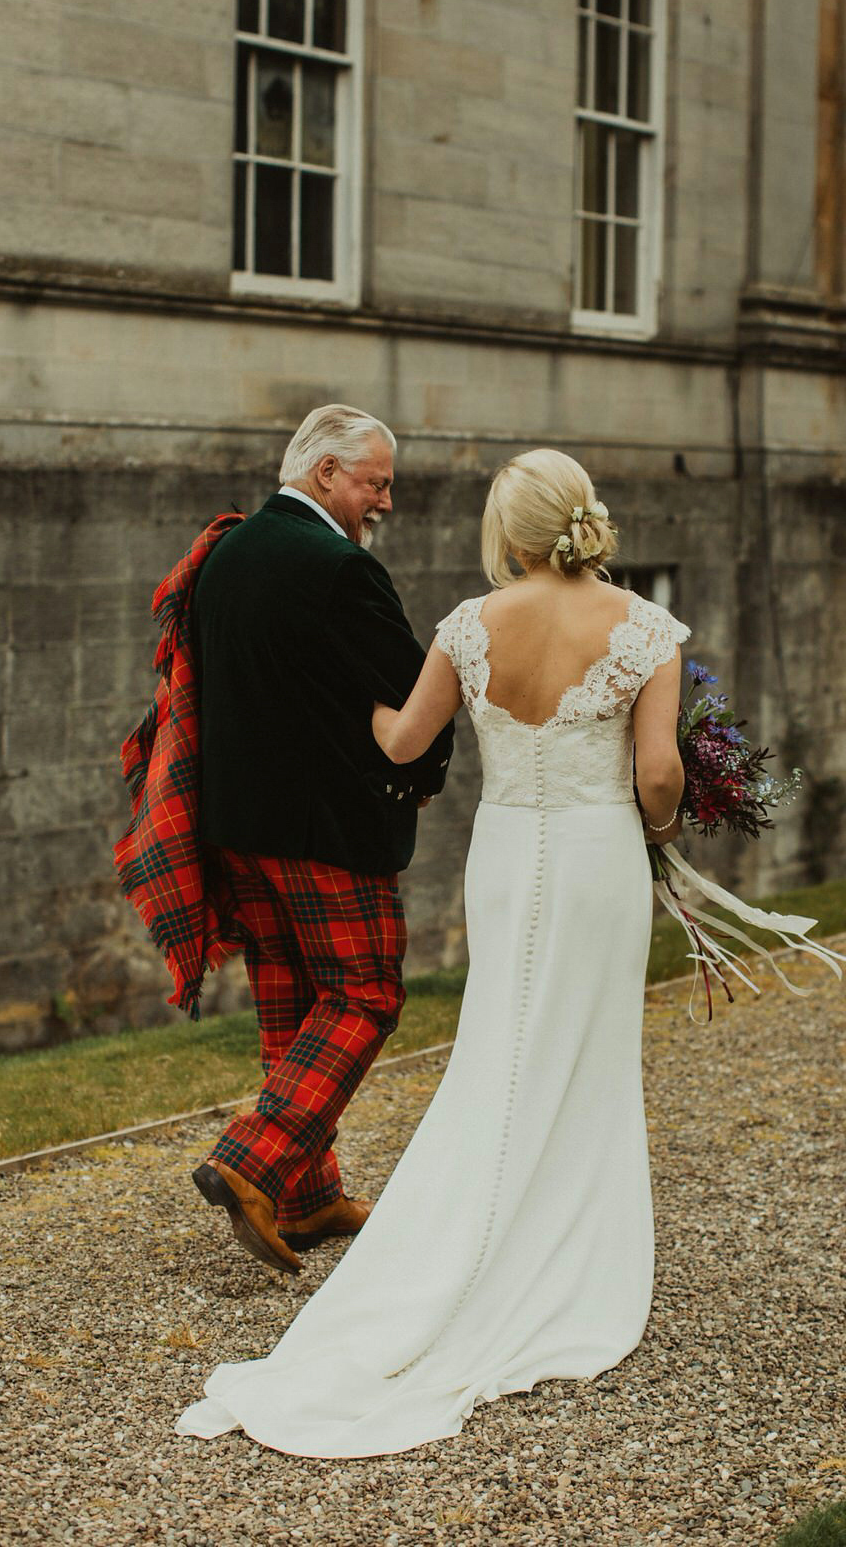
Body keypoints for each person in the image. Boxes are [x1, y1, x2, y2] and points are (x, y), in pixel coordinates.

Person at [177, 447, 688, 1456]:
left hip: (505, 861)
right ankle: (566, 1253)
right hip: (597, 865)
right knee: (586, 1055)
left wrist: (346, 702)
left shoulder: (467, 625)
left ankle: (466, 1239)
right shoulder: (646, 630)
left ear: (511, 532)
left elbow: (403, 741)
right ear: (585, 522)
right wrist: (663, 828)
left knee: (498, 1051)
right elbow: (661, 772)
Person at [188, 405, 455, 1274]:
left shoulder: (222, 554)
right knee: (365, 993)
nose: (383, 499)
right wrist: (420, 776)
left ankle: (307, 1199)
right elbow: (416, 691)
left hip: (238, 825)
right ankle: (253, 1161)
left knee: (292, 1004)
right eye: (375, 481)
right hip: (323, 830)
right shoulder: (341, 567)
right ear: (326, 472)